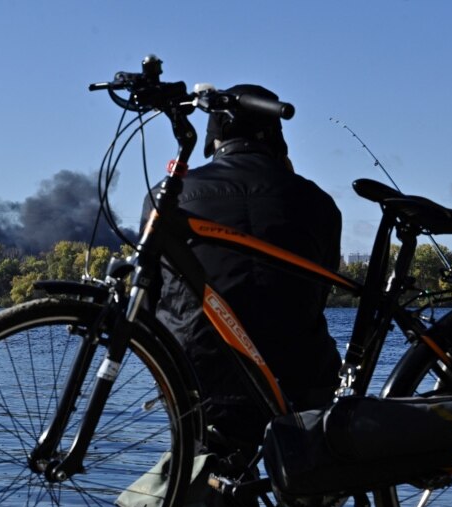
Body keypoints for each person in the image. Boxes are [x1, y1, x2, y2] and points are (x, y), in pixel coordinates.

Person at [146, 84, 342, 468]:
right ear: (277, 139)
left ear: (214, 139)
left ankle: (202, 502)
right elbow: (319, 292)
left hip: (194, 384)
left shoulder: (169, 197)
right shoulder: (318, 203)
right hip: (297, 383)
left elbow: (150, 296)